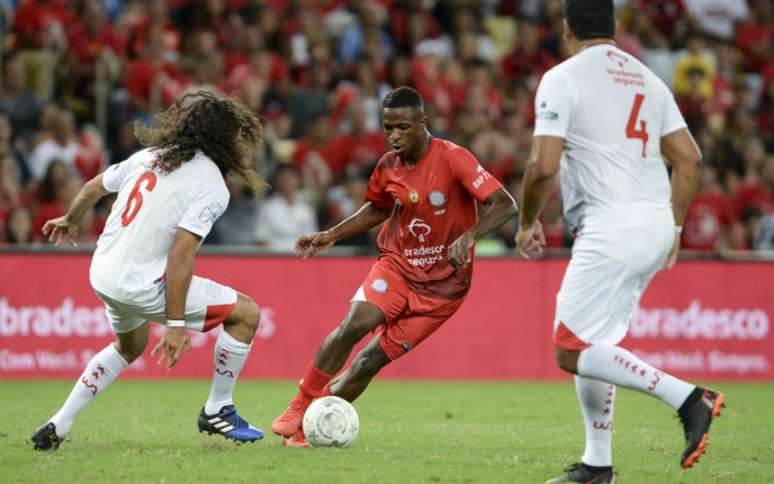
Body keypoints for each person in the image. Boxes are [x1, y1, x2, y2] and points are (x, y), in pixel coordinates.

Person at [515, 2, 725, 482]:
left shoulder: (562, 77)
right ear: (612, 28)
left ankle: (691, 399)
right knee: (597, 343)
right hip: (652, 225)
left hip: (610, 227)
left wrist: (527, 221)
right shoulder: (648, 79)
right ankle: (597, 465)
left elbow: (541, 166)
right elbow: (689, 160)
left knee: (569, 348)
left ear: (567, 30)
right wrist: (671, 229)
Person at [271, 86, 518, 447]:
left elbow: (505, 204)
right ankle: (301, 404)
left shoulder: (454, 158)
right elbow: (377, 208)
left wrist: (470, 235)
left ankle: (308, 428)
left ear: (423, 122)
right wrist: (332, 234)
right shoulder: (388, 165)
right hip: (398, 266)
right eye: (388, 128)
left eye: (403, 127)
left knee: (369, 362)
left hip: (442, 291)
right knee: (354, 324)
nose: (395, 136)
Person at [31, 91, 266, 450]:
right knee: (246, 314)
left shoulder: (147, 157)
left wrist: (70, 218)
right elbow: (181, 255)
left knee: (130, 345)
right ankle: (218, 408)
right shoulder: (212, 185)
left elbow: (95, 187)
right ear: (224, 139)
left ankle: (58, 423)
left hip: (103, 273)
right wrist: (174, 325)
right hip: (143, 282)